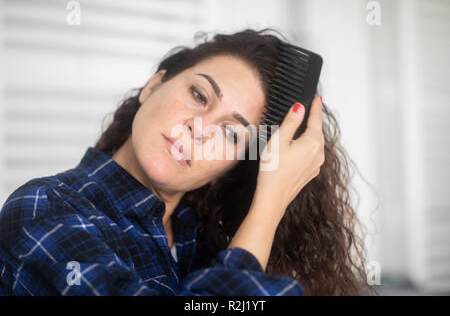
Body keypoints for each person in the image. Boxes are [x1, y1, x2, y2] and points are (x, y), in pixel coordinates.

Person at [0, 28, 373, 296]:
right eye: (199, 95)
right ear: (153, 86)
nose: (201, 129)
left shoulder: (204, 238)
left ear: (232, 166)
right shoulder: (45, 208)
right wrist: (269, 206)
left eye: (231, 133)